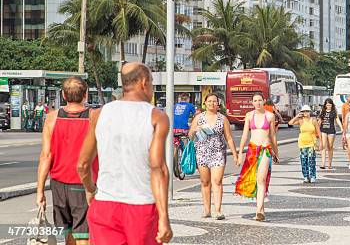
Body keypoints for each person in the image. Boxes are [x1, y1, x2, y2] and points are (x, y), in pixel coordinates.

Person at [77, 63, 172, 245]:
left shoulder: (99, 114)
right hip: (142, 206)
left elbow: (82, 164)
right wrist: (164, 218)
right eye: (151, 82)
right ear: (144, 82)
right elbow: (158, 168)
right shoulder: (156, 117)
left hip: (105, 206)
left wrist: (91, 189)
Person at [36, 77, 98, 245]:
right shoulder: (94, 118)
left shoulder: (52, 119)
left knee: (68, 233)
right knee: (84, 234)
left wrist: (40, 191)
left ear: (63, 95)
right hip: (84, 183)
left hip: (58, 185)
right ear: (85, 95)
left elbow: (45, 156)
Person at [188, 93, 239, 220]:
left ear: (218, 104)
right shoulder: (199, 118)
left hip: (218, 153)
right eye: (209, 101)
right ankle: (207, 209)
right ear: (205, 103)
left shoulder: (222, 118)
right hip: (202, 152)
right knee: (205, 182)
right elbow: (190, 136)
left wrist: (235, 155)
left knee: (217, 181)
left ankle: (218, 210)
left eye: (214, 101)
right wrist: (195, 130)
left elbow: (229, 138)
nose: (212, 103)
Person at [235, 93, 279, 222]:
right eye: (255, 100)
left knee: (261, 179)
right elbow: (244, 135)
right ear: (252, 102)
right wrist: (239, 154)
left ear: (264, 101)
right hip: (252, 150)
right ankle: (261, 208)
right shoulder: (249, 115)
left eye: (260, 100)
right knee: (253, 179)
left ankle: (259, 210)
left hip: (265, 150)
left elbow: (273, 136)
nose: (258, 102)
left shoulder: (270, 116)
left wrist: (276, 153)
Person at [289, 105, 321, 183]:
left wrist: (321, 143)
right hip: (302, 143)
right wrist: (297, 116)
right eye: (303, 111)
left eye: (307, 111)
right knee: (303, 160)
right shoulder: (301, 120)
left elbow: (319, 132)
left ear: (310, 112)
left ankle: (313, 176)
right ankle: (306, 176)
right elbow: (290, 123)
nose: (305, 113)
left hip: (311, 143)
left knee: (311, 160)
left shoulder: (313, 120)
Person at [317, 98, 343, 170]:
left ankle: (330, 164)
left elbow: (337, 119)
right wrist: (317, 128)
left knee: (330, 147)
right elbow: (320, 120)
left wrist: (341, 127)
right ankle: (323, 163)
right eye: (327, 105)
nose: (328, 106)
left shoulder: (334, 111)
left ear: (332, 105)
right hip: (323, 130)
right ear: (325, 105)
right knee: (324, 146)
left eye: (330, 105)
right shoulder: (323, 111)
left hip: (331, 130)